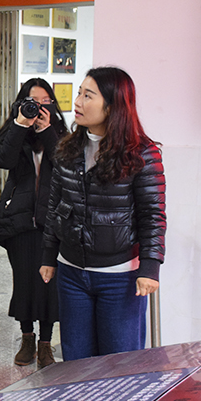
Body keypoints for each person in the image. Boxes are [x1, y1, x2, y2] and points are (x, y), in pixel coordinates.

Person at [39, 67, 166, 361]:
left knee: (118, 363)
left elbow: (152, 215)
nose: (77, 102)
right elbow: (55, 205)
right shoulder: (67, 147)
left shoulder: (142, 153)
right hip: (71, 272)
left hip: (119, 276)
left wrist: (150, 267)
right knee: (77, 361)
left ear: (112, 106)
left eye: (88, 96)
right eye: (79, 93)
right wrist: (48, 255)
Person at [0, 78, 68, 368]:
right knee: (23, 281)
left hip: (52, 221)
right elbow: (5, 161)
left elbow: (65, 165)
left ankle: (45, 344)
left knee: (48, 285)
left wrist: (47, 131)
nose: (40, 107)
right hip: (19, 220)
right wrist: (21, 125)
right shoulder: (14, 130)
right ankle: (27, 338)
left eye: (46, 102)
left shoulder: (62, 135)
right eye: (34, 102)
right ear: (22, 103)